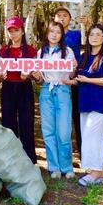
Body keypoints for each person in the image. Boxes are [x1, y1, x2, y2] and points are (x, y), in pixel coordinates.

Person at [74, 23, 103, 187]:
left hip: (101, 103)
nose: (94, 37)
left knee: (92, 135)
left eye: (98, 34)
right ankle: (98, 172)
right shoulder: (84, 56)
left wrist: (88, 80)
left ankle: (96, 172)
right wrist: (70, 78)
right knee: (88, 136)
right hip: (85, 102)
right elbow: (78, 78)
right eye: (91, 34)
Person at [32, 21, 76, 179]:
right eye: (52, 31)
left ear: (62, 35)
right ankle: (54, 167)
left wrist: (74, 68)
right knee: (48, 130)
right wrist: (36, 75)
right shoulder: (40, 52)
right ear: (47, 33)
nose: (54, 35)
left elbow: (71, 75)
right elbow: (39, 78)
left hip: (62, 90)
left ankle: (67, 166)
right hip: (46, 91)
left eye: (58, 32)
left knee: (64, 130)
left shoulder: (68, 51)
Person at [0, 16, 37, 163]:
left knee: (26, 123)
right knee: (8, 123)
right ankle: (11, 160)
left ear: (22, 31)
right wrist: (1, 75)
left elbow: (36, 74)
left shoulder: (31, 51)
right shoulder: (3, 51)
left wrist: (29, 75)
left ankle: (29, 160)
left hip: (24, 88)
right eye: (10, 31)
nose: (13, 34)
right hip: (8, 88)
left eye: (16, 30)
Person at [54, 6, 83, 156]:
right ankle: (62, 151)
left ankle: (82, 150)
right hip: (57, 81)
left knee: (77, 114)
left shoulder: (77, 34)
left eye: (65, 15)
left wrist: (87, 25)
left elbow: (90, 42)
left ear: (70, 19)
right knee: (60, 116)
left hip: (74, 79)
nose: (61, 18)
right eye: (58, 15)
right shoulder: (52, 36)